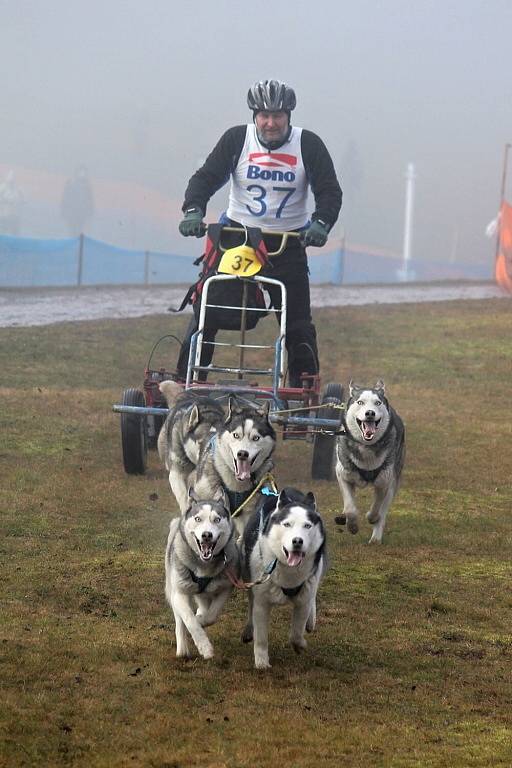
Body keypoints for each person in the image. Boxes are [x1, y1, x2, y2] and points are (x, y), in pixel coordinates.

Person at [176, 79, 342, 385]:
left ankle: (303, 392)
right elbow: (205, 178)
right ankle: (186, 383)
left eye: (277, 116)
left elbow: (329, 191)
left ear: (288, 116)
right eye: (264, 115)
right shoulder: (237, 139)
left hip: (288, 243)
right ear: (255, 115)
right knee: (207, 310)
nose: (270, 123)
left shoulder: (309, 145)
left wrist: (321, 222)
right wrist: (193, 210)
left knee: (298, 325)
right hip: (237, 239)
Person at [61, 165, 94, 236]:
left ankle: (76, 243)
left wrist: (90, 211)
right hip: (72, 214)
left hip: (80, 215)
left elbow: (89, 201)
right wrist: (64, 211)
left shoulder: (86, 188)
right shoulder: (71, 185)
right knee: (73, 231)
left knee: (78, 231)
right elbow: (65, 199)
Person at [0, 170, 24, 235]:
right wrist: (5, 202)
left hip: (14, 216)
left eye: (12, 182)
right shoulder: (2, 188)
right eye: (10, 182)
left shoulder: (18, 190)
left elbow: (23, 200)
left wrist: (18, 202)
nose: (11, 183)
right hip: (4, 215)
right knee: (3, 230)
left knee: (15, 231)